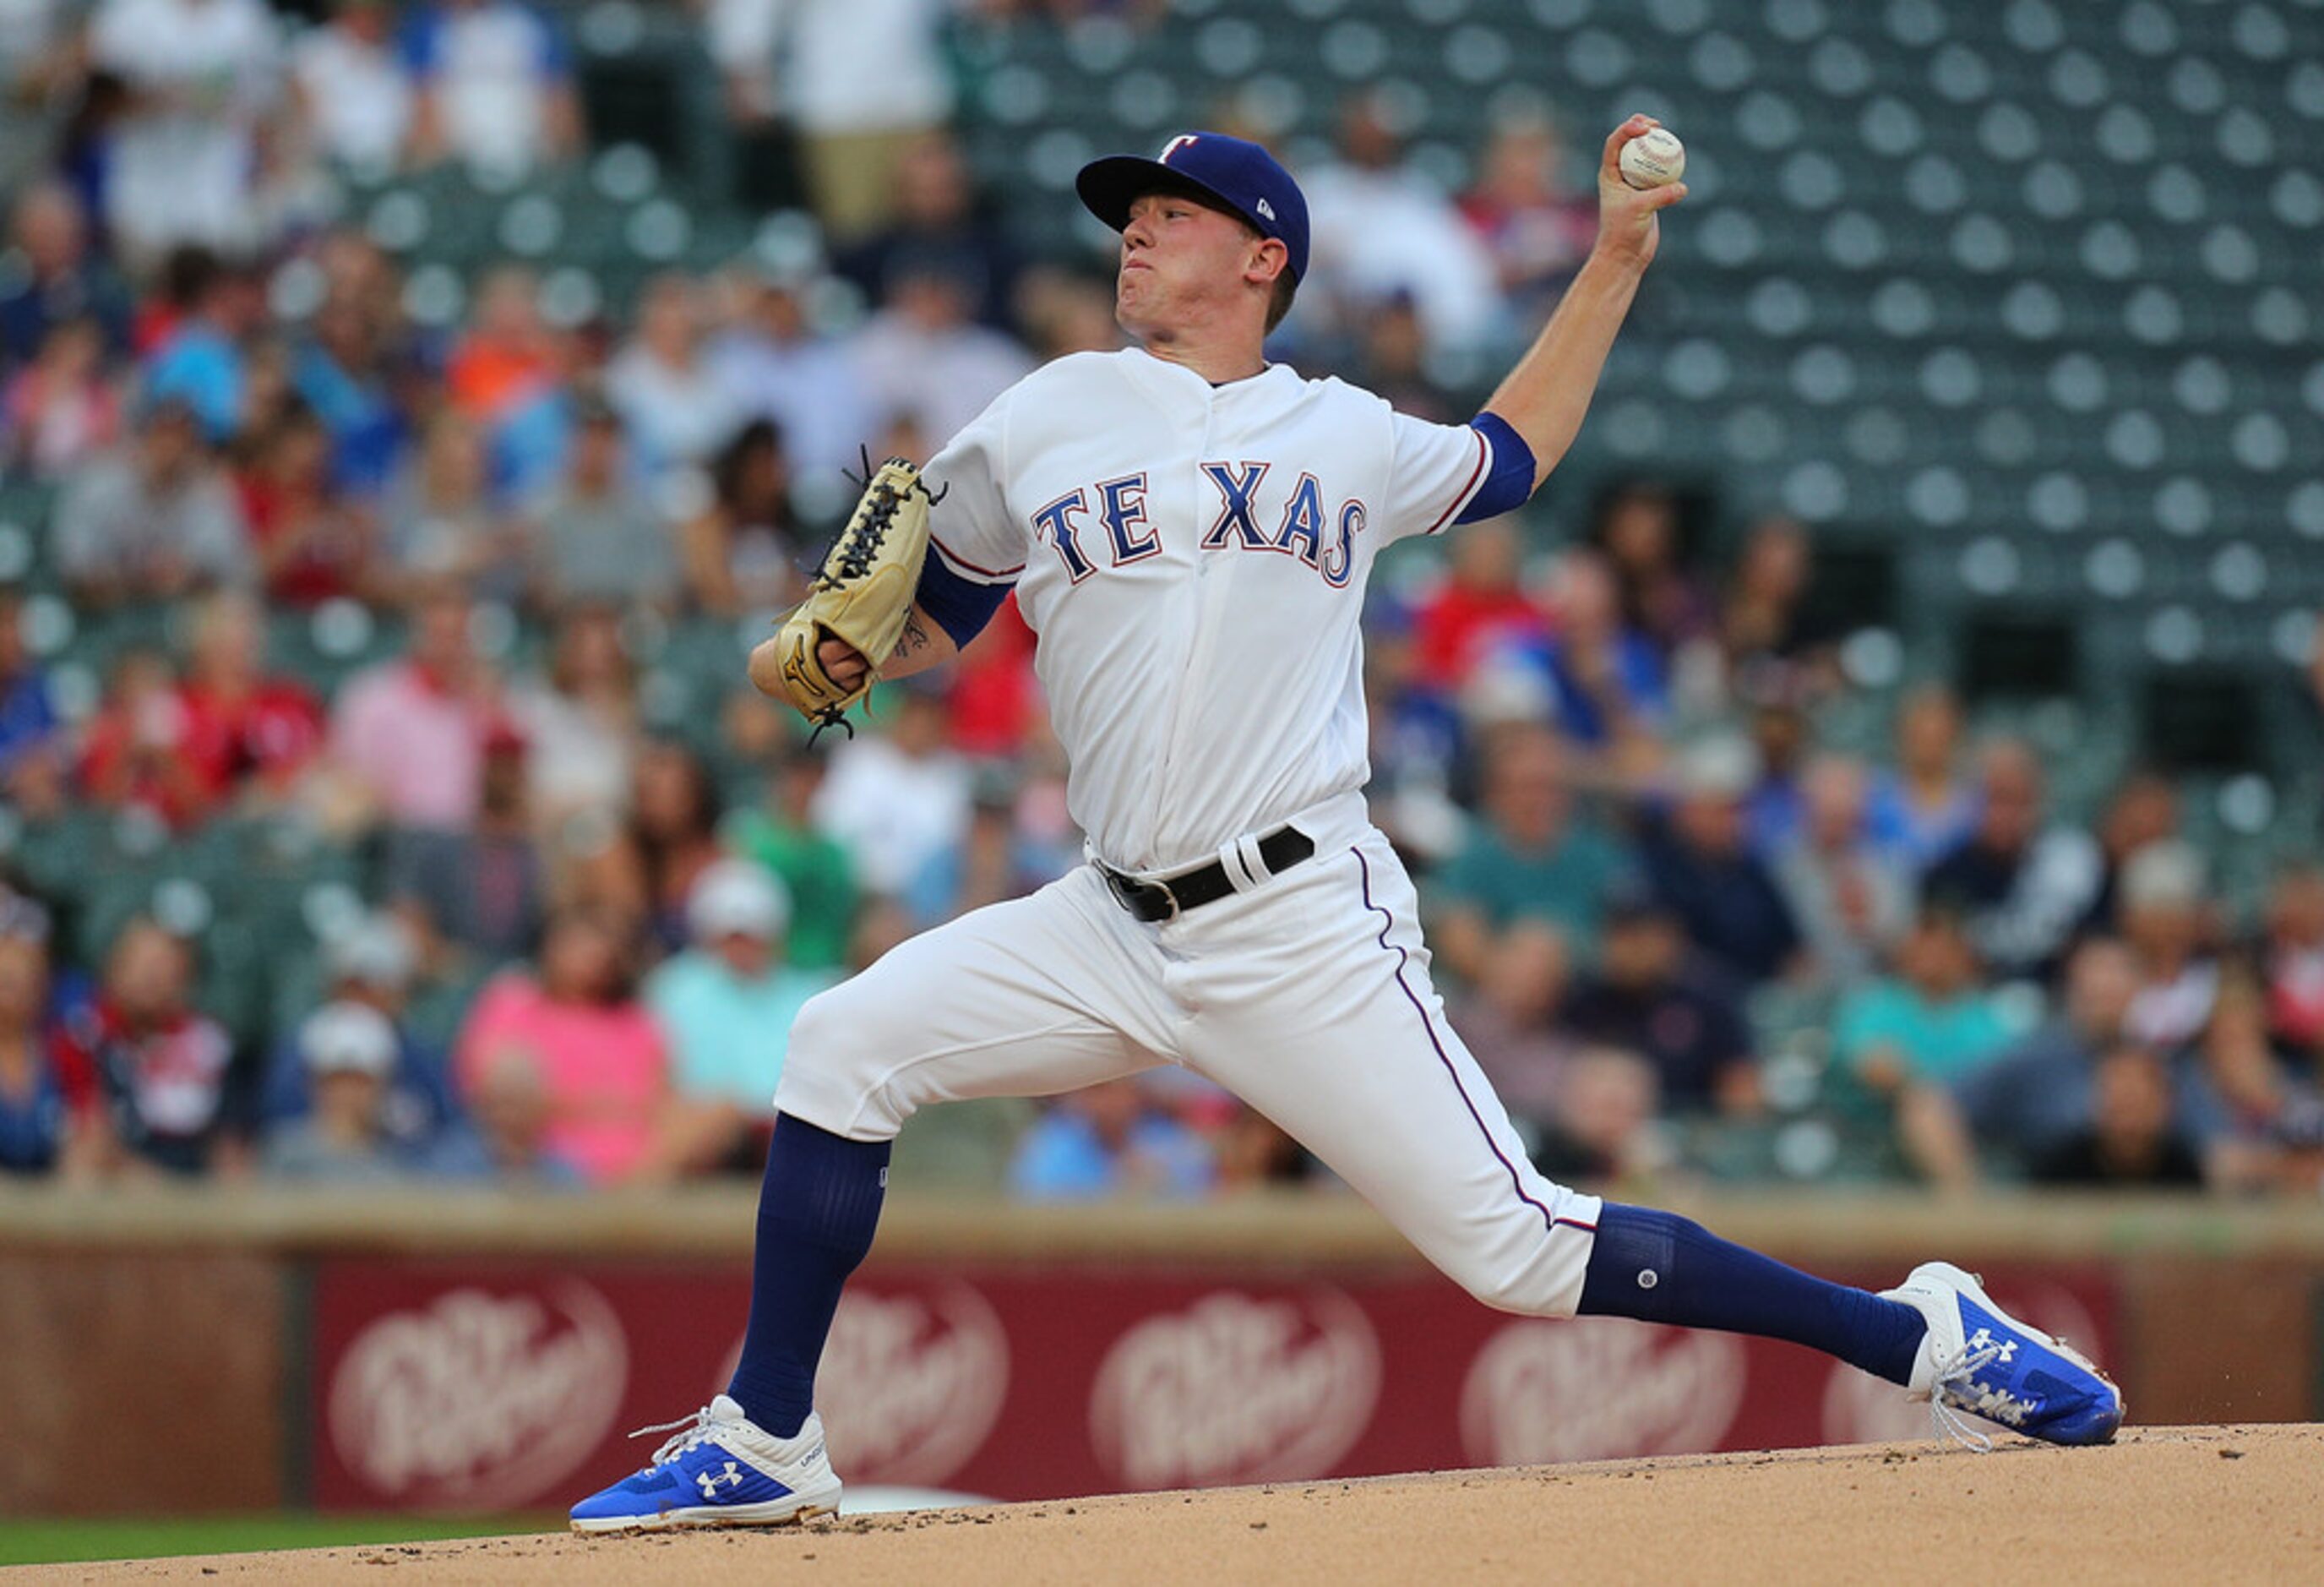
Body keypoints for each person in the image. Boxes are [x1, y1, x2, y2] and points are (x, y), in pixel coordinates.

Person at [573, 123, 2117, 1533]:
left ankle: (1920, 1333)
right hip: (1105, 917)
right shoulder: (1044, 412)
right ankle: (765, 1433)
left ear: (1263, 259)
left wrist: (1613, 261)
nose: (1135, 237)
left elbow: (1514, 454)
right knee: (840, 1049)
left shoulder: (1344, 432)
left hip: (1296, 920)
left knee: (1518, 1251)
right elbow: (945, 608)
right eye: (1130, 217)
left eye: (1172, 217)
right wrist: (843, 652)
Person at [645, 859, 835, 1172]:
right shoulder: (674, 988)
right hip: (705, 1128)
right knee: (715, 1116)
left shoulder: (809, 993)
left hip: (786, 1128)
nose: (743, 947)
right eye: (732, 936)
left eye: (752, 935)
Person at [260, 1001, 409, 1183]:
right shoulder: (283, 1154)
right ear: (312, 1084)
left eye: (360, 1083)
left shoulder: (396, 1162)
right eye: (336, 1082)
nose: (347, 1094)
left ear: (382, 1086)